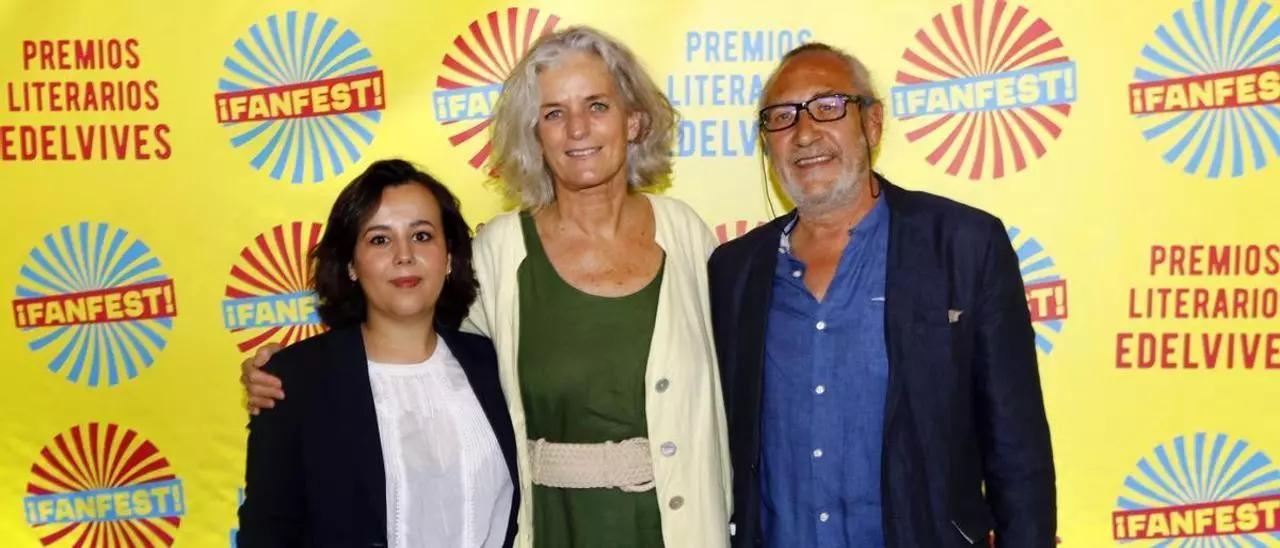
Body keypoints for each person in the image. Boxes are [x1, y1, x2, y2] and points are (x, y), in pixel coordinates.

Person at [239, 26, 732, 548]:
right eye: (554, 113)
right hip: (554, 528)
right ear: (535, 135)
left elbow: (742, 368)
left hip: (685, 527)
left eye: (597, 106)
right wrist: (288, 377)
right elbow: (410, 338)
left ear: (633, 121)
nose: (578, 129)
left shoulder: (685, 233)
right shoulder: (500, 251)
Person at [708, 43, 1057, 547]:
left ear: (872, 125)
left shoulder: (963, 246)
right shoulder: (733, 271)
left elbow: (1018, 448)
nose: (804, 133)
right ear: (767, 144)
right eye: (782, 117)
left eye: (828, 107)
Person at [235, 159, 519, 548]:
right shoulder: (294, 381)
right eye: (380, 240)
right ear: (351, 265)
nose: (404, 255)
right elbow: (267, 533)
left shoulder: (497, 365)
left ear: (450, 257)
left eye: (422, 236)